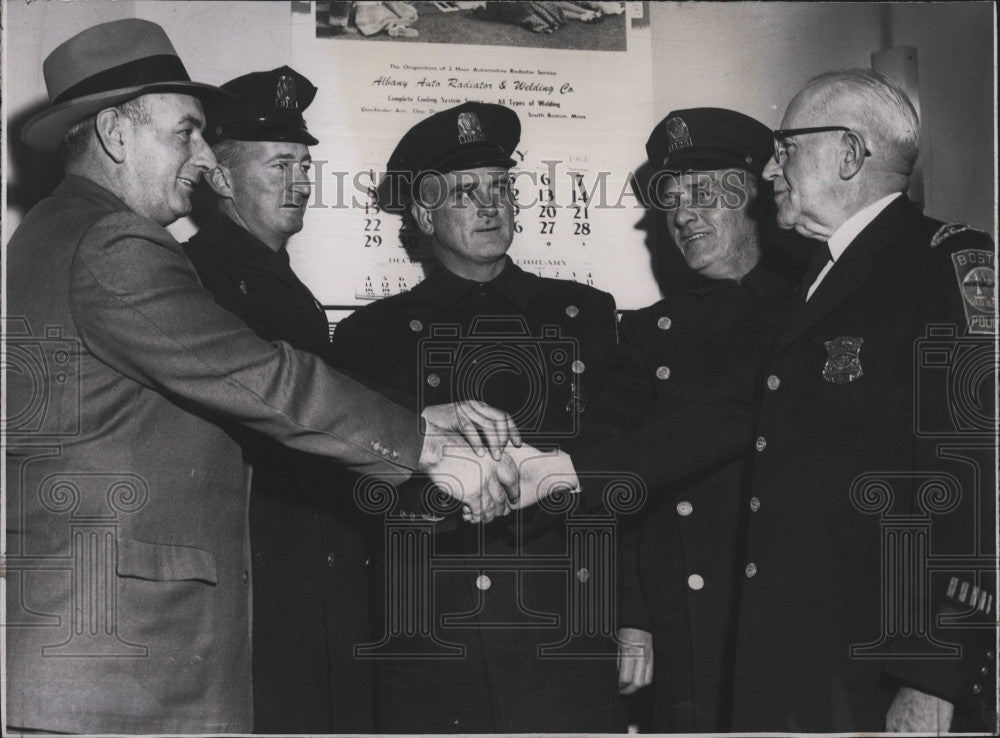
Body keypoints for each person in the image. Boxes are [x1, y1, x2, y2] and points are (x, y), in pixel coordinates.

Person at [4, 21, 518, 734]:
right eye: (185, 133)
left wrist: (425, 418)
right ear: (117, 135)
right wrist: (432, 450)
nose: (204, 156)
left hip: (98, 656)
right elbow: (255, 376)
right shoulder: (111, 242)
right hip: (122, 668)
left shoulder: (51, 232)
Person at [331, 102, 627, 733]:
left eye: (501, 188)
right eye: (465, 193)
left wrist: (637, 614)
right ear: (421, 213)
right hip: (432, 631)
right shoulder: (369, 336)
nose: (491, 206)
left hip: (566, 621)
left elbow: (623, 463)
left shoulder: (584, 314)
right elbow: (354, 481)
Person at [730, 68, 996, 732]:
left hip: (881, 670)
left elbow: (972, 475)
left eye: (784, 146)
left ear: (848, 152)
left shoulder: (943, 263)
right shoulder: (814, 281)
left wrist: (932, 677)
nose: (768, 170)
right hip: (797, 663)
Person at [182, 66, 376, 733]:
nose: (300, 181)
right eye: (277, 166)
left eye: (303, 164)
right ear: (220, 176)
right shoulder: (205, 274)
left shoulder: (267, 273)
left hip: (300, 566)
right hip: (259, 567)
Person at [613, 108, 799, 732]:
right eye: (672, 198)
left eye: (706, 193)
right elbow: (627, 490)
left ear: (757, 197)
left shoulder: (813, 308)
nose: (684, 214)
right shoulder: (645, 334)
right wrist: (634, 614)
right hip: (683, 619)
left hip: (791, 609)